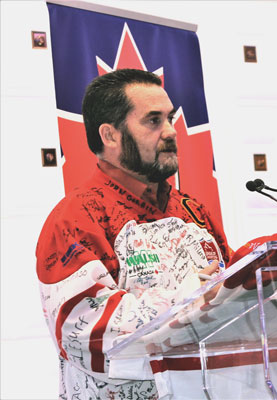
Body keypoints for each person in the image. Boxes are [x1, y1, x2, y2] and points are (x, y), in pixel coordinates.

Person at [36, 69, 230, 399]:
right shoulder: (76, 218)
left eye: (170, 118)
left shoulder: (193, 210)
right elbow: (86, 335)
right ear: (110, 136)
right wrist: (187, 298)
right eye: (153, 121)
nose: (170, 132)